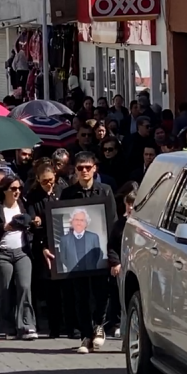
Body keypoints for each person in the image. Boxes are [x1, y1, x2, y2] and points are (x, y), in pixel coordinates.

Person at [59, 151, 116, 354]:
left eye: (88, 167)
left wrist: (114, 255)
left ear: (95, 169)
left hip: (98, 250)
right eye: (80, 168)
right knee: (80, 295)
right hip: (76, 253)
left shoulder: (106, 191)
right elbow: (61, 223)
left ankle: (99, 326)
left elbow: (113, 225)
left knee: (102, 293)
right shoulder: (68, 194)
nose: (84, 171)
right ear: (75, 170)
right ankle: (85, 335)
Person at [0, 175, 36, 340]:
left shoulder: (24, 205)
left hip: (22, 251)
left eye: (19, 188)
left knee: (24, 286)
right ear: (4, 190)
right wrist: (3, 227)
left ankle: (27, 325)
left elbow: (33, 222)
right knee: (6, 290)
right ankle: (9, 326)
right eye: (13, 189)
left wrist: (34, 222)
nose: (17, 192)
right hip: (2, 253)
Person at [27, 163, 65, 338]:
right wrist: (34, 222)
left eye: (51, 180)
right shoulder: (34, 197)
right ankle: (53, 327)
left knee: (65, 288)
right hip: (44, 245)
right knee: (49, 289)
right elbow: (32, 222)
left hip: (63, 242)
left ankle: (69, 325)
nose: (49, 184)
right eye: (45, 182)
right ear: (38, 180)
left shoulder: (62, 191)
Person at [105, 190, 135, 339]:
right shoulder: (119, 224)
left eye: (134, 204)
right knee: (120, 298)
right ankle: (119, 326)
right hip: (122, 267)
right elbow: (111, 245)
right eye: (129, 204)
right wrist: (115, 262)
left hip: (137, 267)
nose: (131, 208)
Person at [57, 208, 102, 273]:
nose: (79, 223)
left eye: (82, 220)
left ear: (86, 223)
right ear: (71, 222)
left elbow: (98, 255)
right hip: (72, 275)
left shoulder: (94, 237)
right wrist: (72, 266)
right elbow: (63, 258)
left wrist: (91, 266)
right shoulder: (64, 239)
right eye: (76, 220)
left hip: (91, 274)